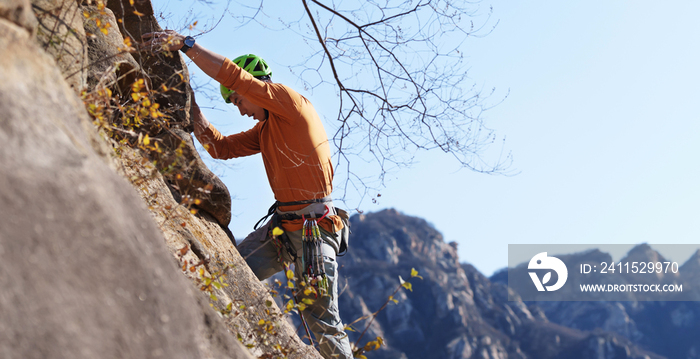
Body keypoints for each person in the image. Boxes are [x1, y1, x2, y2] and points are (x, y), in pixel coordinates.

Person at [141, 31, 353, 359]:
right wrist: (190, 104)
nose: (240, 110)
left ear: (252, 87)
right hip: (284, 229)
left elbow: (232, 74)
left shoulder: (290, 103)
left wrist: (186, 45)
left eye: (238, 100)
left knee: (321, 319)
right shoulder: (267, 130)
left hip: (314, 231)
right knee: (228, 275)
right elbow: (221, 148)